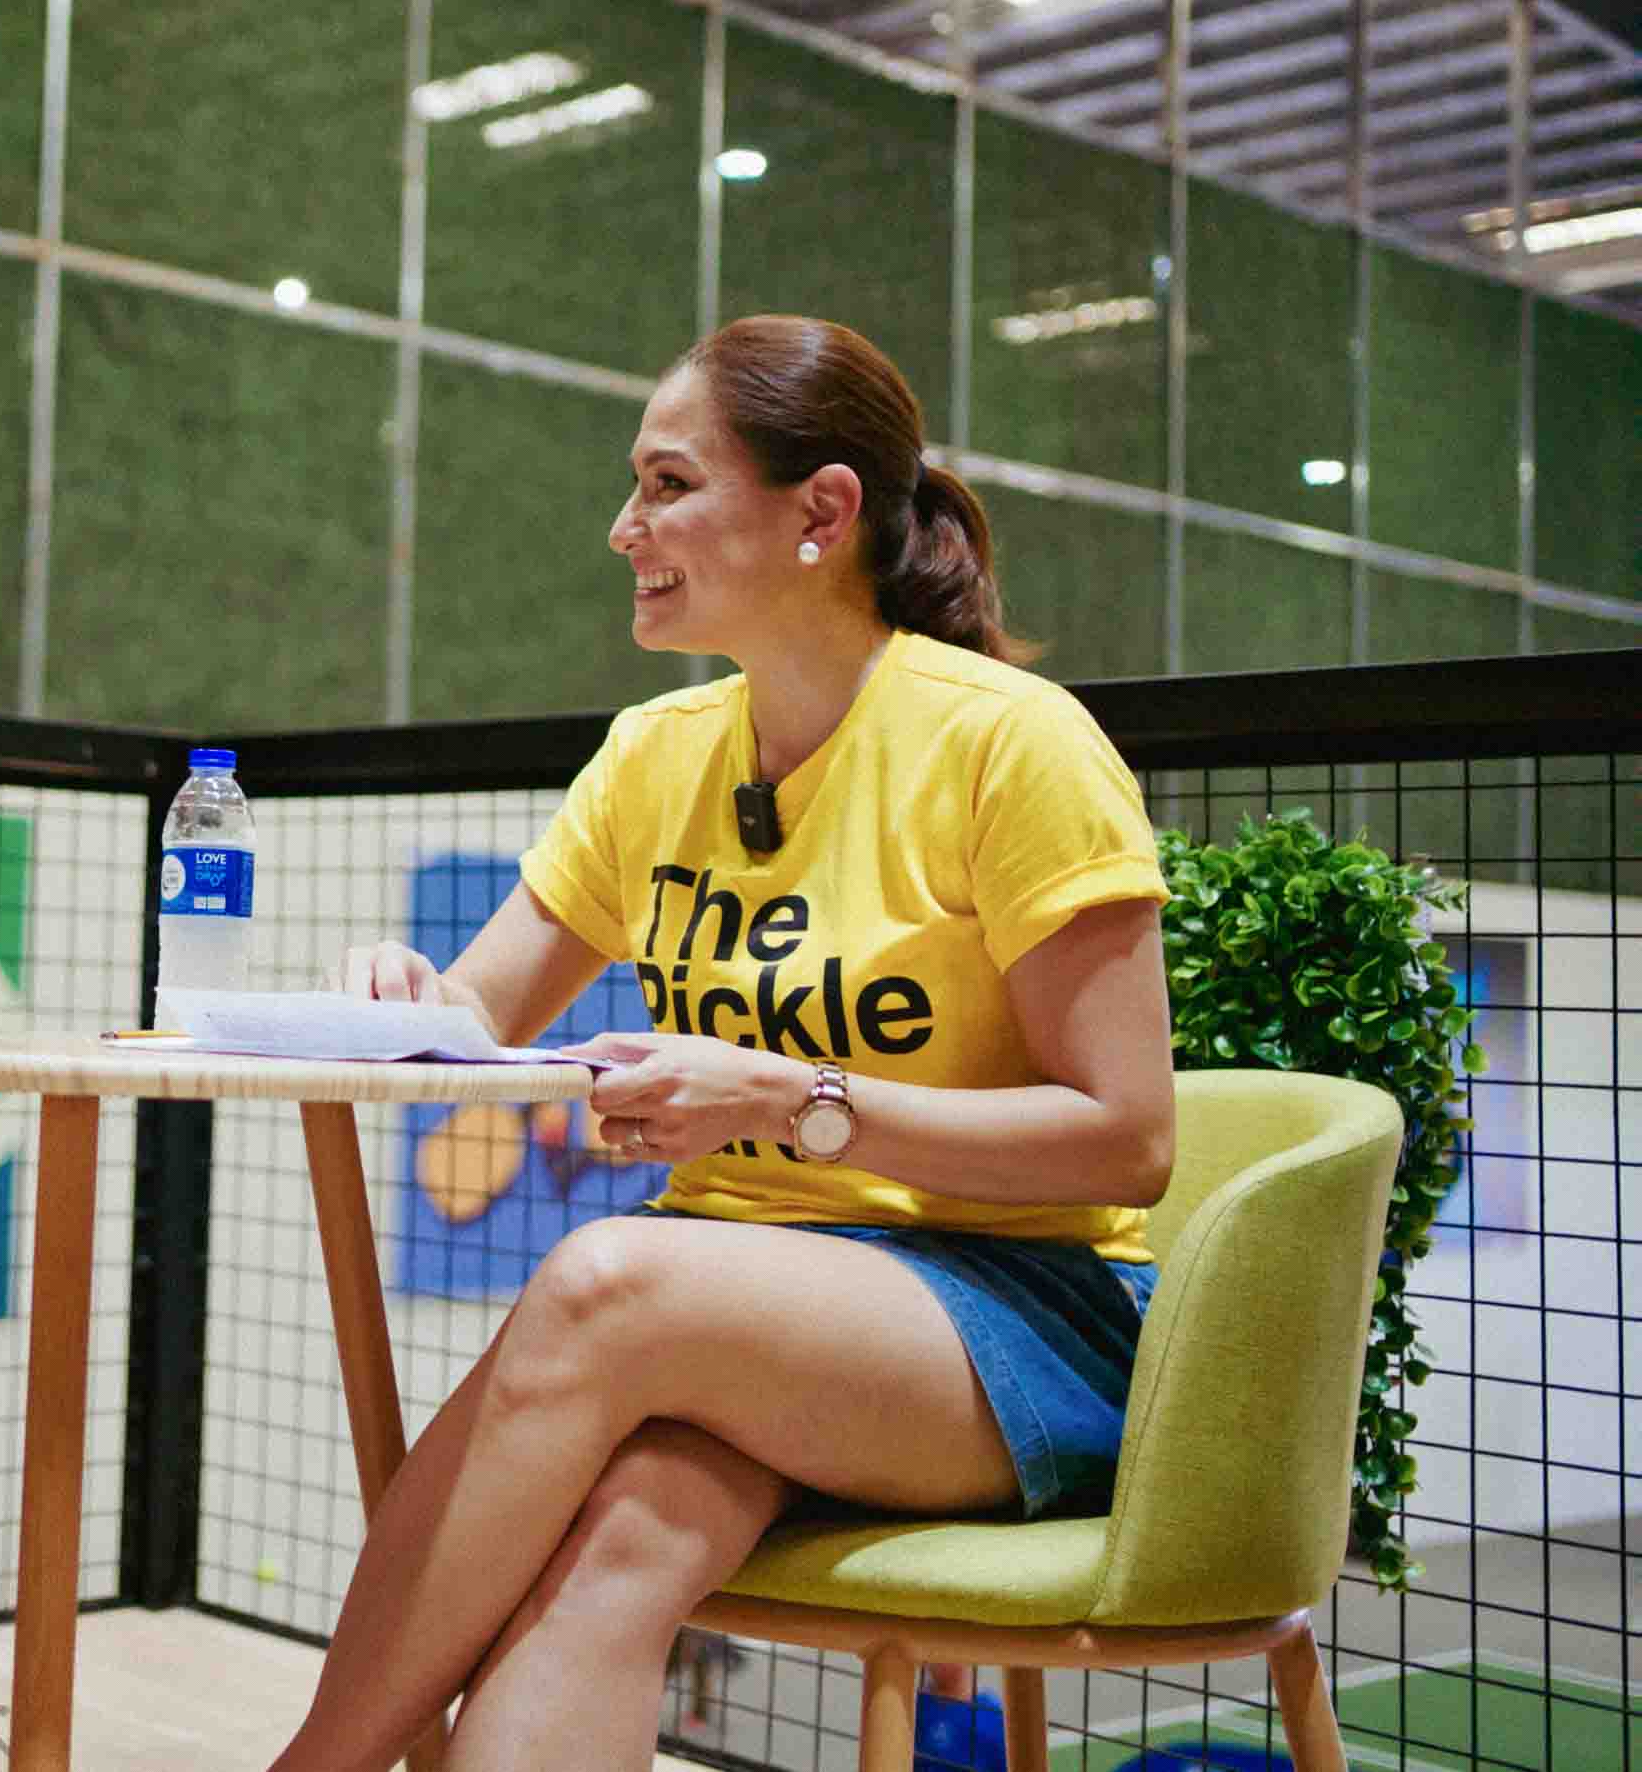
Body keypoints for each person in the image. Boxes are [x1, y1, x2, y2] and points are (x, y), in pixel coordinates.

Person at [272, 316, 1177, 1772]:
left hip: (1018, 1316)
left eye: (669, 484)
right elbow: (476, 1013)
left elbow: (1129, 1138)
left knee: (608, 1281)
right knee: (620, 1546)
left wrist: (792, 1096)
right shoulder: (656, 753)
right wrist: (400, 992)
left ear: (822, 511)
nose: (623, 526)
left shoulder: (1015, 743)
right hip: (752, 1310)